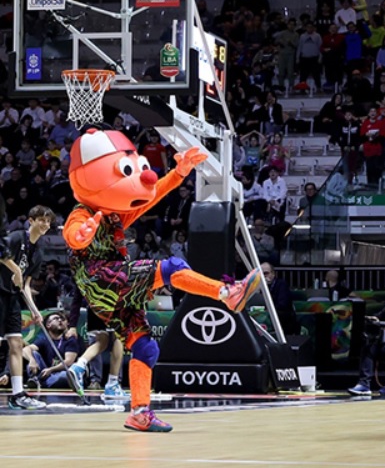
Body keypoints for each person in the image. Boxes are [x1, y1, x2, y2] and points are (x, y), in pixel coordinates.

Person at [63, 130, 262, 432]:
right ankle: (226, 293)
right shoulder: (83, 212)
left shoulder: (116, 215)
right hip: (102, 279)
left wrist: (179, 172)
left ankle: (139, 412)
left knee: (144, 347)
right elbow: (72, 234)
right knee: (171, 267)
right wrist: (80, 237)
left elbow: (150, 198)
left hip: (113, 294)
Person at [0, 205, 52, 409]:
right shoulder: (16, 237)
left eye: (48, 221)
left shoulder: (39, 251)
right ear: (31, 220)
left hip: (12, 298)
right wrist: (15, 270)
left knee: (15, 344)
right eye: (42, 220)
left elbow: (26, 285)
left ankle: (18, 394)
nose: (46, 225)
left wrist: (33, 309)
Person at [23, 310, 79, 389]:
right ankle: (36, 380)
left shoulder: (70, 339)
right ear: (48, 325)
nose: (60, 320)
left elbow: (68, 362)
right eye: (56, 319)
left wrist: (51, 370)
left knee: (65, 375)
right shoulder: (44, 339)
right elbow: (25, 349)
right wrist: (32, 360)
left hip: (58, 374)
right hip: (45, 374)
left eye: (61, 319)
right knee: (33, 353)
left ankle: (38, 382)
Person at [261, 263, 297, 336]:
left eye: (266, 273)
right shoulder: (258, 286)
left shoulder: (281, 284)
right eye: (261, 274)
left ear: (273, 274)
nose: (263, 276)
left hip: (283, 321)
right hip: (264, 317)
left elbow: (283, 305)